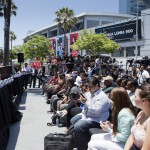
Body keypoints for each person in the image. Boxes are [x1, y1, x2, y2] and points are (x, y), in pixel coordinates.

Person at [71, 77, 110, 150]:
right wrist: (82, 101)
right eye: (88, 86)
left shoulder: (102, 96)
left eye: (91, 86)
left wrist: (86, 102)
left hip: (97, 119)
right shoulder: (89, 94)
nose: (89, 88)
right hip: (87, 115)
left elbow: (96, 112)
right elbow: (85, 107)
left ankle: (82, 148)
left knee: (78, 126)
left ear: (97, 85)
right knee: (73, 120)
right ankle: (76, 143)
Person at [124, 84, 150, 150]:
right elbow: (132, 136)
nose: (133, 98)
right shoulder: (141, 113)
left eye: (135, 96)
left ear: (144, 101)